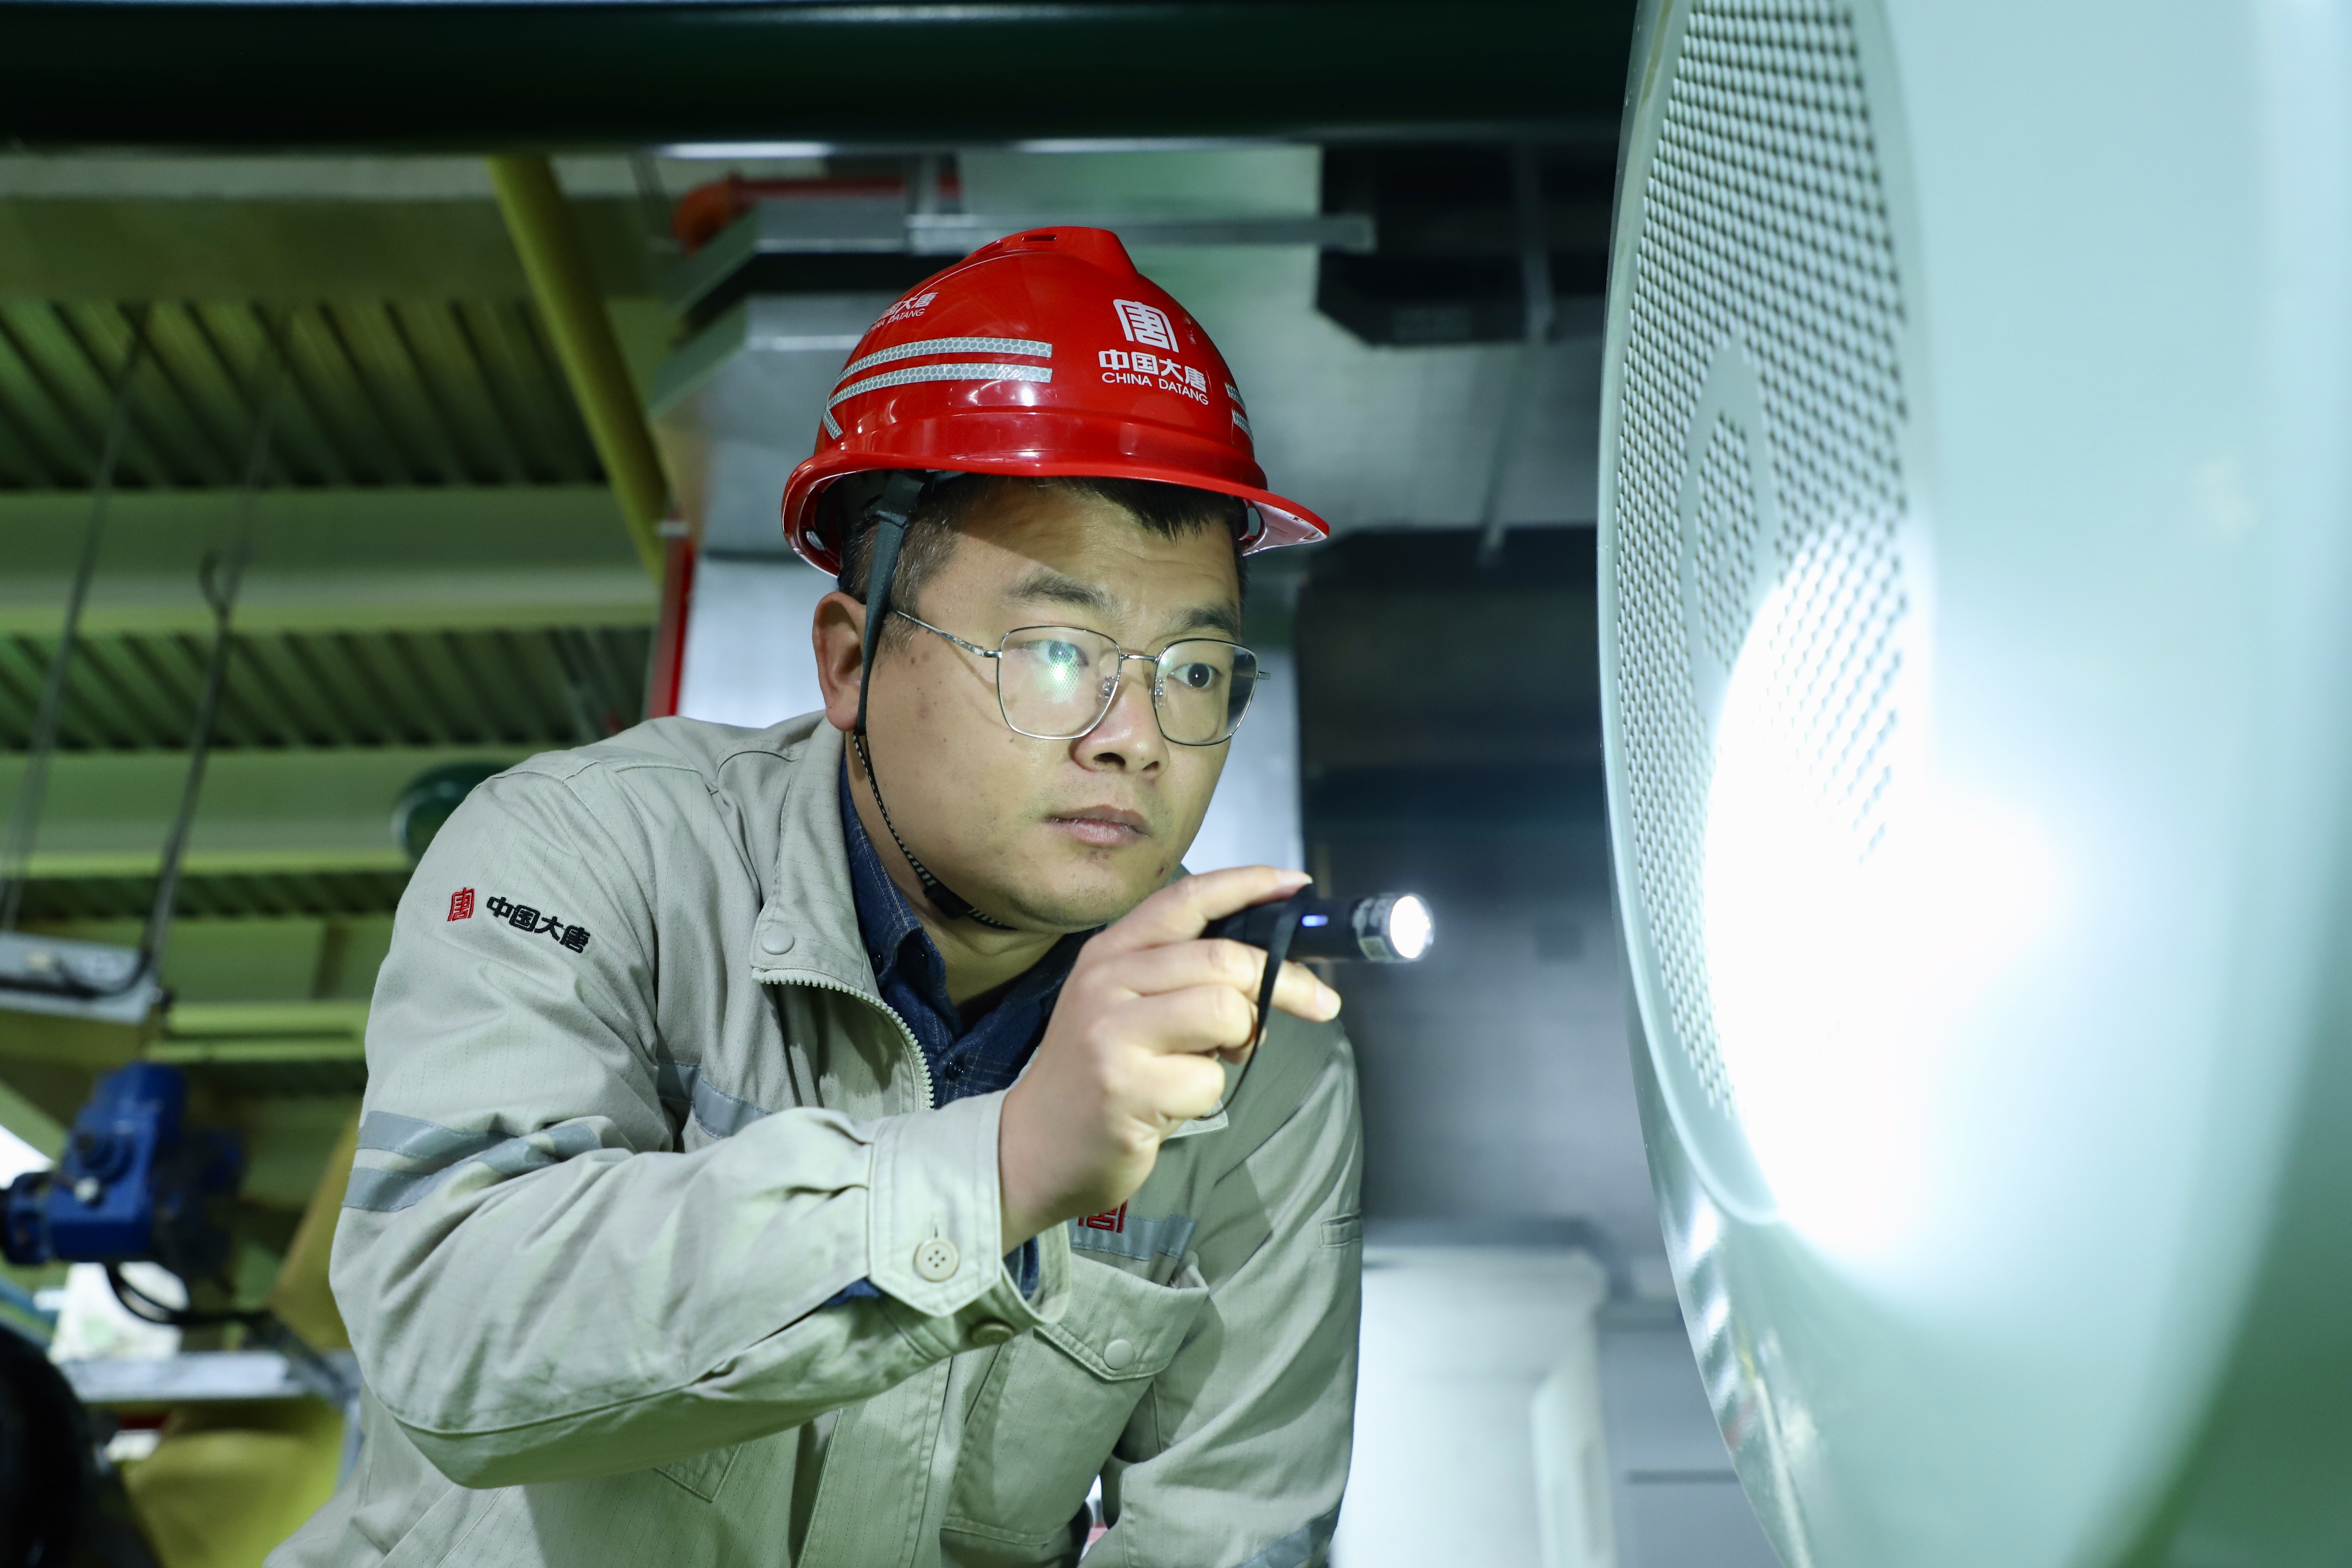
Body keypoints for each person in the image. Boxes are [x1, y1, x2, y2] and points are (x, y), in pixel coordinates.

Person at [274, 228, 1364, 1568]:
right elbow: (456, 1341)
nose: (1134, 737)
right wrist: (1006, 1170)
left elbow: (1232, 1536)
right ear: (851, 661)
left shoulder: (1259, 1068)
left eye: (1192, 671)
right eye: (1056, 652)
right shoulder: (589, 853)